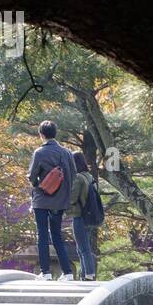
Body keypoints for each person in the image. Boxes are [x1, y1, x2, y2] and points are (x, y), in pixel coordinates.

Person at [27, 120, 77, 281]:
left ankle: (46, 272)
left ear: (41, 134)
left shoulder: (39, 153)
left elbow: (32, 176)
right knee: (57, 236)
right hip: (60, 201)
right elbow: (73, 174)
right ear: (55, 133)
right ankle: (68, 273)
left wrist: (38, 184)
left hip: (42, 200)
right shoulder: (67, 153)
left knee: (42, 235)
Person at [65, 151, 98, 281]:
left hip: (79, 216)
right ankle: (85, 274)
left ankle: (88, 274)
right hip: (89, 216)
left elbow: (72, 198)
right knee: (83, 247)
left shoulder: (78, 178)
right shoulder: (89, 176)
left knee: (82, 248)